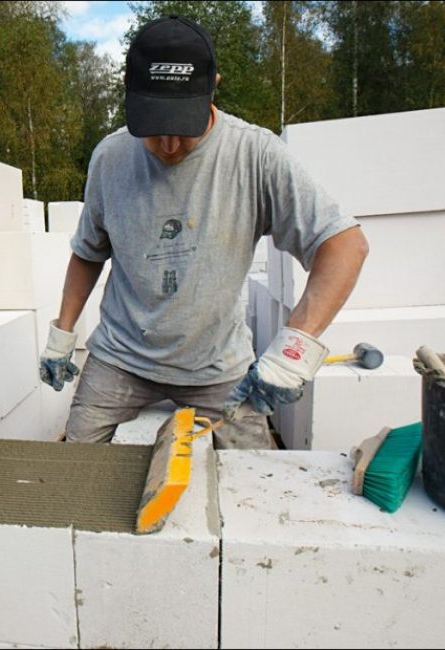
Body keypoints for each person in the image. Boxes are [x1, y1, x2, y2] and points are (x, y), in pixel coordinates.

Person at [38, 15, 369, 449]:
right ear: (129, 90)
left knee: (256, 484)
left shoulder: (254, 155)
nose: (170, 145)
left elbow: (344, 244)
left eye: (183, 127)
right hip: (120, 359)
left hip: (217, 367)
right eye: (155, 127)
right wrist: (62, 334)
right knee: (72, 472)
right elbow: (88, 252)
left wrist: (294, 351)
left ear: (214, 85)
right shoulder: (110, 158)